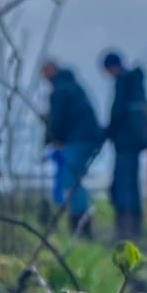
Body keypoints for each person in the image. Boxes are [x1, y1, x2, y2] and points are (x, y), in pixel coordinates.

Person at [41, 61, 102, 238]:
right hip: (85, 138)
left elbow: (57, 117)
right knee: (72, 179)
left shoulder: (61, 90)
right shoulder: (72, 86)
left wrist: (56, 138)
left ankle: (81, 225)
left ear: (51, 71)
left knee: (71, 179)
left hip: (78, 139)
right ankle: (80, 223)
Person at [101, 50, 147, 239]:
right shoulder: (136, 84)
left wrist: (107, 132)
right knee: (132, 184)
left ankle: (125, 231)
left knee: (123, 185)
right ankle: (134, 229)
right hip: (136, 140)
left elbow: (118, 111)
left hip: (125, 142)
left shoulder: (123, 81)